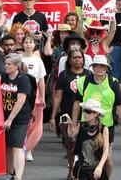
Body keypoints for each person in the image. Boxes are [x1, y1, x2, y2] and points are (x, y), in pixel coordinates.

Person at [73, 55, 121, 176]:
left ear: (106, 68)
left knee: (107, 158)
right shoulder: (84, 81)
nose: (99, 69)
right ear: (92, 68)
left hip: (106, 126)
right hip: (86, 124)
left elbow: (120, 105)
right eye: (96, 66)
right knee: (83, 157)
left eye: (102, 67)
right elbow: (77, 103)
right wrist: (74, 123)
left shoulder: (112, 82)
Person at [50, 49, 92, 179]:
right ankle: (71, 168)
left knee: (85, 144)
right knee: (69, 146)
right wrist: (52, 117)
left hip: (86, 116)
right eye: (75, 58)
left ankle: (82, 170)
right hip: (67, 115)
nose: (77, 60)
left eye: (80, 57)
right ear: (70, 60)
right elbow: (58, 97)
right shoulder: (64, 75)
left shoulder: (89, 75)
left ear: (83, 60)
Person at [1, 53, 32, 180]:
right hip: (4, 118)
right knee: (8, 146)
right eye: (5, 64)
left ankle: (18, 177)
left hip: (19, 119)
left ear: (16, 65)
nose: (6, 66)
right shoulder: (3, 77)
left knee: (17, 146)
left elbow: (20, 101)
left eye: (9, 64)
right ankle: (10, 173)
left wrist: (10, 120)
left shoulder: (23, 79)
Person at [63, 98, 110, 180]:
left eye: (88, 111)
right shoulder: (81, 126)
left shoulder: (104, 129)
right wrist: (69, 122)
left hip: (96, 169)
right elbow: (70, 135)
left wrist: (100, 167)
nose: (84, 113)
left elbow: (106, 151)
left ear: (96, 114)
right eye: (84, 110)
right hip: (82, 168)